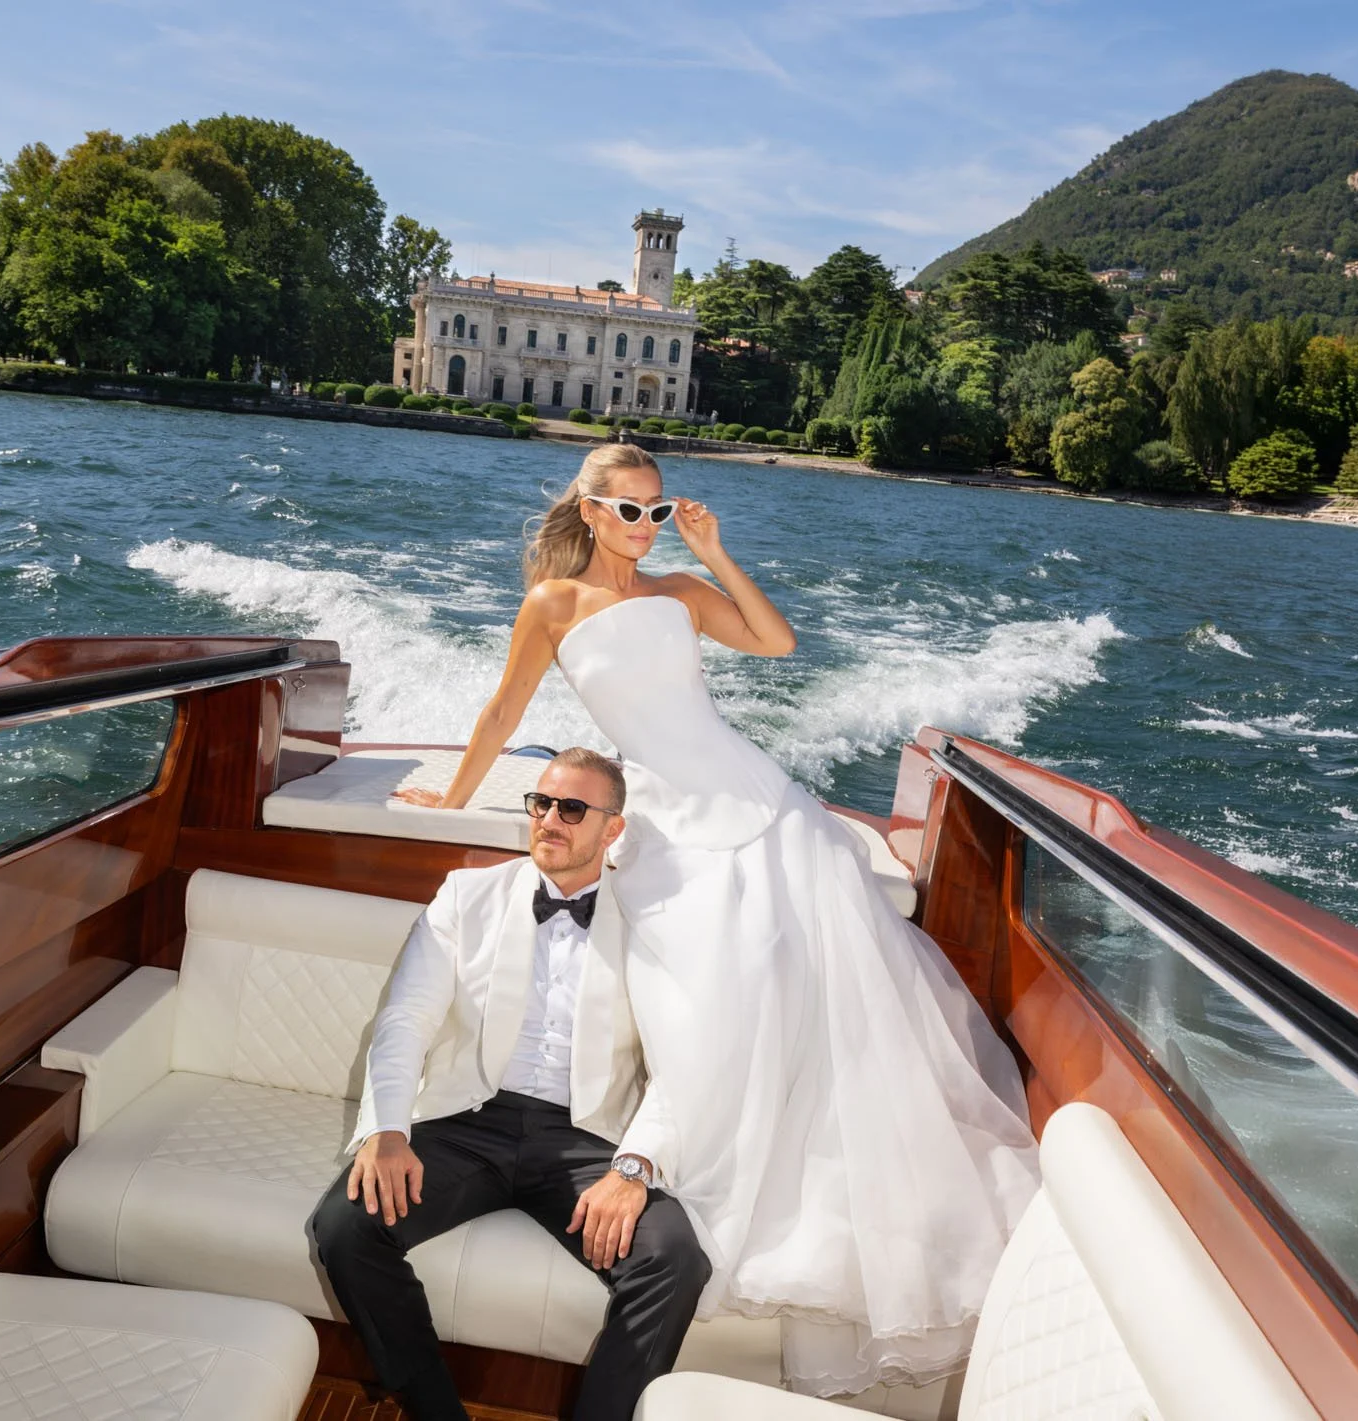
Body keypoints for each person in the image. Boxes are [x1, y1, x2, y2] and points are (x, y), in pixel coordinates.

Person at [395, 443, 1042, 1396]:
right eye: (629, 510)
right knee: (700, 1003)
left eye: (657, 512)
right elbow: (502, 711)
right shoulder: (553, 605)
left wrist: (716, 552)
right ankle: (680, 1178)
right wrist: (450, 800)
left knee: (795, 989)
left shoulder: (682, 590)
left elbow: (779, 644)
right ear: (588, 505)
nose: (645, 528)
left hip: (755, 800)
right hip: (660, 818)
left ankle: (781, 1199)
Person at [312, 748, 709, 1421]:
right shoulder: (467, 896)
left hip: (586, 1138)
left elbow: (684, 1060)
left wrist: (635, 1167)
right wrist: (385, 1129)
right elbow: (406, 1017)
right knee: (344, 1225)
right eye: (541, 803)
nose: (549, 819)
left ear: (612, 829)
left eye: (572, 808)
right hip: (469, 1121)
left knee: (675, 1257)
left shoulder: (652, 921)